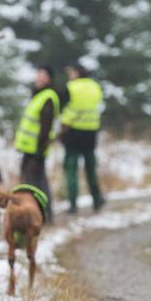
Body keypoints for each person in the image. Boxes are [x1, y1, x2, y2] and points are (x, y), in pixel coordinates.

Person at [14, 66, 59, 222]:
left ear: (49, 78)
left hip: (36, 149)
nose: (39, 77)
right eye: (38, 74)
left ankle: (42, 214)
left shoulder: (47, 97)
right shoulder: (38, 95)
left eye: (43, 74)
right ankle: (42, 213)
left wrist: (40, 149)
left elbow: (45, 126)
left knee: (34, 183)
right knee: (36, 181)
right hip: (30, 147)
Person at [60, 64, 105, 214]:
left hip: (72, 132)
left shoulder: (71, 87)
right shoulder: (95, 87)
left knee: (71, 169)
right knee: (91, 168)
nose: (69, 75)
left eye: (71, 72)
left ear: (77, 72)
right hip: (91, 132)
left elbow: (64, 107)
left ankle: (73, 204)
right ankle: (97, 199)